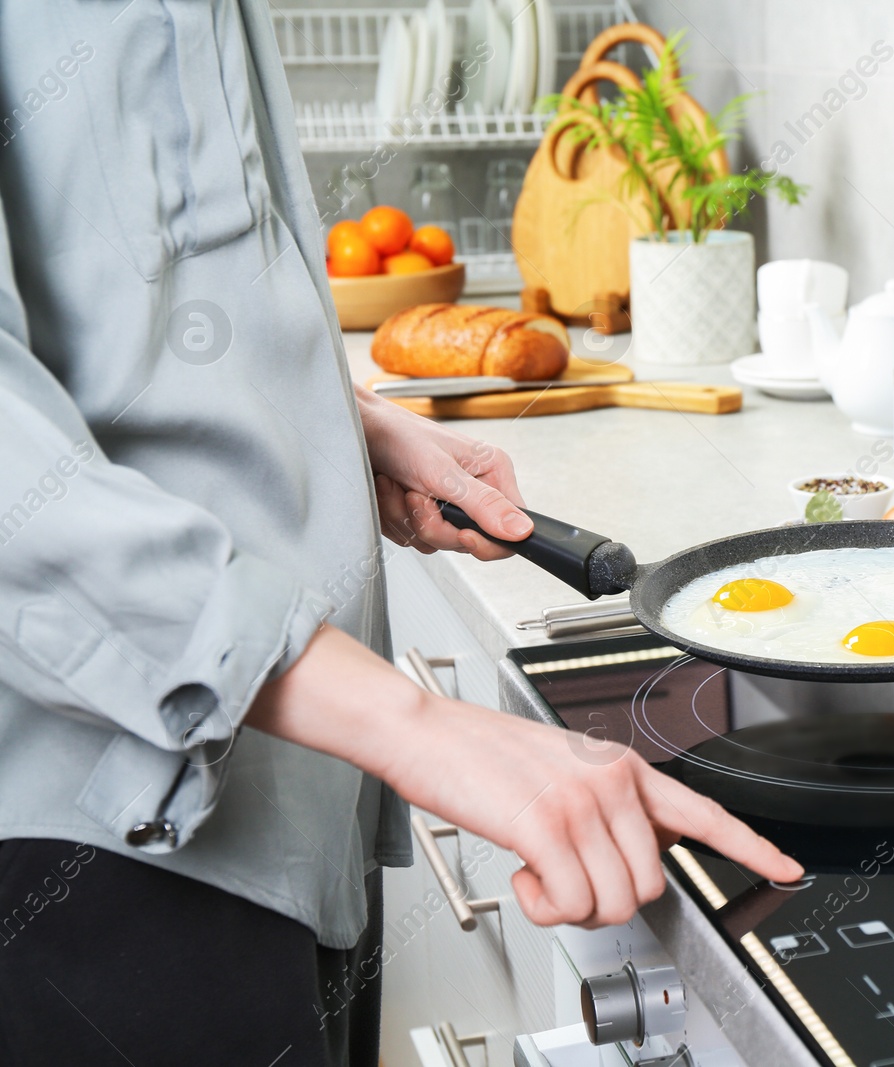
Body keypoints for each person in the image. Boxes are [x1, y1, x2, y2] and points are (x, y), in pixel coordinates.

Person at [0, 4, 801, 1064]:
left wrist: (336, 430)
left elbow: (132, 308)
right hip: (108, 837)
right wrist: (425, 728)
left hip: (303, 794)